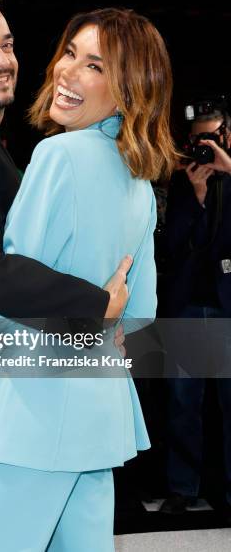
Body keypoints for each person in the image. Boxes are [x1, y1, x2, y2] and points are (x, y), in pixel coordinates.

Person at [0, 7, 176, 551]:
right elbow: (138, 313)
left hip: (33, 420)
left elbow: (0, 288)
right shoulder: (139, 181)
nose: (68, 72)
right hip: (101, 419)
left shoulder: (57, 155)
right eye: (71, 54)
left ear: (130, 89)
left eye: (96, 66)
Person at [159, 109, 231, 522]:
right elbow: (176, 243)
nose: (206, 150)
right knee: (183, 401)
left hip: (226, 305)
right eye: (199, 142)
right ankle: (182, 487)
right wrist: (199, 198)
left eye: (213, 141)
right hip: (188, 303)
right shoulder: (187, 181)